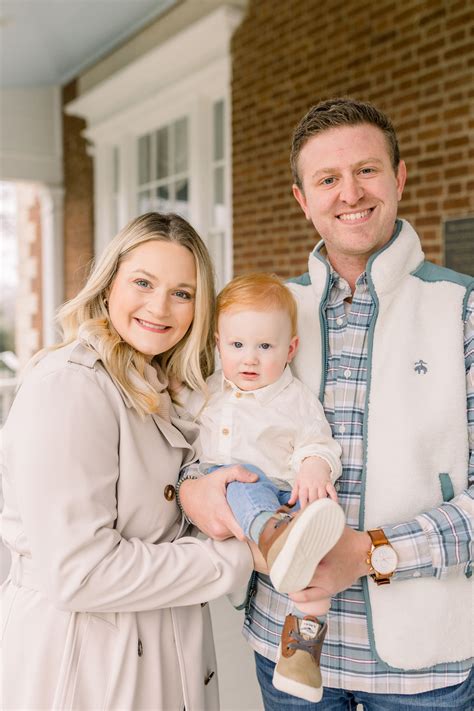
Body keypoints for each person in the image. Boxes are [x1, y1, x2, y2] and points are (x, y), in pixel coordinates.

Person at [178, 98, 474, 709]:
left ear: (399, 178)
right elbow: (211, 431)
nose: (350, 193)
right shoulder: (265, 316)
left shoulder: (461, 311)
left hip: (425, 670)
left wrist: (370, 554)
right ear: (301, 198)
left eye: (366, 170)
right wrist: (194, 489)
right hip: (284, 652)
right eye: (327, 179)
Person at [0, 212, 259, 711]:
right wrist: (239, 556)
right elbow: (82, 572)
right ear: (109, 284)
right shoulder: (70, 386)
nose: (159, 307)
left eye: (182, 293)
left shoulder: (167, 388)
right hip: (82, 663)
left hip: (162, 651)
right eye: (143, 282)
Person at [182, 272, 345, 702]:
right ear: (218, 344)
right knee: (239, 475)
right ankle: (278, 541)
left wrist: (314, 467)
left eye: (265, 347)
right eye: (237, 346)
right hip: (225, 491)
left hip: (277, 501)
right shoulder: (207, 392)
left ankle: (302, 658)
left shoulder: (294, 398)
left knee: (314, 568)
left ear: (290, 349)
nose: (249, 359)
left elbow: (318, 441)